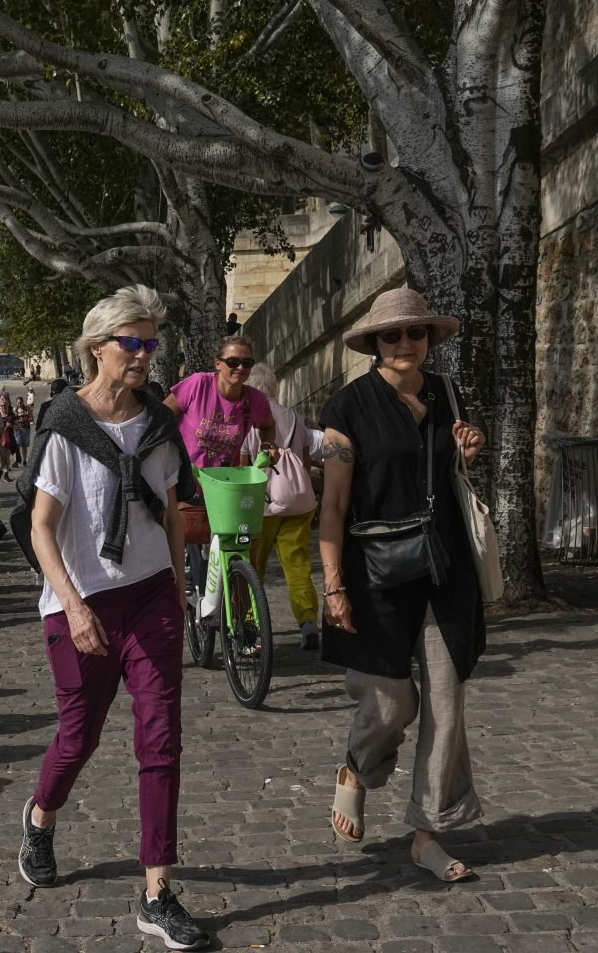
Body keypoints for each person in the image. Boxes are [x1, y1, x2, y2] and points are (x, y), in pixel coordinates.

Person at [17, 284, 208, 951]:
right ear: (96, 348)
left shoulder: (158, 425)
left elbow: (173, 513)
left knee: (161, 743)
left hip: (152, 597)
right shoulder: (66, 428)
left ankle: (158, 893)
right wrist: (72, 607)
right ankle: (41, 819)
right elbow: (41, 529)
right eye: (133, 343)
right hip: (83, 604)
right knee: (80, 736)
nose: (144, 355)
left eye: (151, 343)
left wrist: (180, 589)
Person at [318, 285, 488, 884]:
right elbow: (333, 508)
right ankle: (356, 770)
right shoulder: (345, 410)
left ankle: (427, 833)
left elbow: (448, 465)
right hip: (375, 574)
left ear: (428, 339)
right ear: (373, 344)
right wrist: (333, 585)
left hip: (444, 569)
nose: (405, 344)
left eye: (416, 333)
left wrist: (468, 446)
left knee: (446, 703)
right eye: (392, 335)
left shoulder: (446, 392)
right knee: (392, 704)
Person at [240, 362, 322, 650]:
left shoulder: (250, 416)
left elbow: (244, 463)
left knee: (253, 565)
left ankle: (250, 623)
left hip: (262, 503)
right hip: (297, 501)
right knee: (297, 564)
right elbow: (305, 459)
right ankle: (308, 620)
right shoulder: (295, 416)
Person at [164, 334, 276, 469]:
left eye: (247, 363)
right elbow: (160, 416)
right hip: (181, 481)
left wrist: (266, 448)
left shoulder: (256, 400)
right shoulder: (199, 384)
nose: (240, 367)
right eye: (233, 362)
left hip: (223, 485)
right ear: (218, 363)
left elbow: (268, 426)